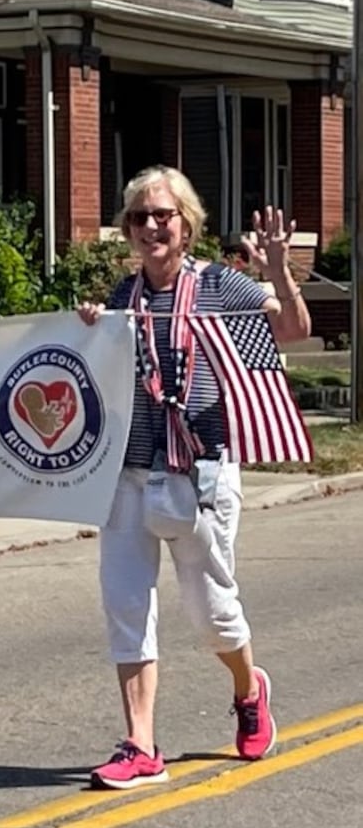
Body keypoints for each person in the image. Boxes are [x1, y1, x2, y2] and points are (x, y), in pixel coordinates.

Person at [77, 164, 311, 790]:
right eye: (138, 217)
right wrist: (88, 330)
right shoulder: (123, 299)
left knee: (211, 614)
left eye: (163, 215)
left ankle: (247, 686)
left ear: (187, 225)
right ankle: (140, 743)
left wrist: (280, 273)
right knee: (126, 605)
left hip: (199, 472)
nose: (151, 226)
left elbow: (292, 330)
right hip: (127, 474)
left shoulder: (219, 287)